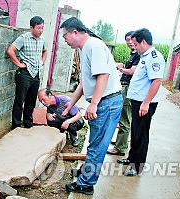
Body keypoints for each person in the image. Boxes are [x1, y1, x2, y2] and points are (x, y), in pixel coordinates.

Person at [60, 17, 123, 195]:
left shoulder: (93, 46)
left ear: (75, 32)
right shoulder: (85, 48)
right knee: (94, 142)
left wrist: (93, 104)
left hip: (106, 102)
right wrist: (69, 104)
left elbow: (103, 75)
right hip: (104, 102)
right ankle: (86, 172)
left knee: (98, 145)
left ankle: (85, 184)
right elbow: (84, 82)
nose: (64, 40)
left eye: (65, 36)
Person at [117, 28, 165, 176]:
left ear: (143, 42)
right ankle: (132, 158)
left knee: (141, 134)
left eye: (136, 44)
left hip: (144, 103)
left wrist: (146, 103)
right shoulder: (144, 56)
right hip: (137, 101)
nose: (134, 47)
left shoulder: (154, 57)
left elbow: (157, 81)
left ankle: (137, 166)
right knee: (135, 132)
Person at [7, 16, 47, 129]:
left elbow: (45, 51)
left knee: (31, 101)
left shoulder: (42, 40)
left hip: (36, 74)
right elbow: (10, 50)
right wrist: (19, 64)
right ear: (31, 28)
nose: (41, 30)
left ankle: (28, 123)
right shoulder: (23, 38)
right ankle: (16, 126)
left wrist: (41, 62)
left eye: (42, 28)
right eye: (38, 28)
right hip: (25, 74)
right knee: (19, 101)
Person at [107, 31, 140, 156]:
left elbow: (132, 72)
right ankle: (121, 144)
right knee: (123, 118)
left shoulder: (138, 55)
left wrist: (120, 68)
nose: (130, 42)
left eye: (132, 39)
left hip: (128, 89)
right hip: (125, 87)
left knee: (124, 119)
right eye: (127, 40)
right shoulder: (133, 54)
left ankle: (120, 148)